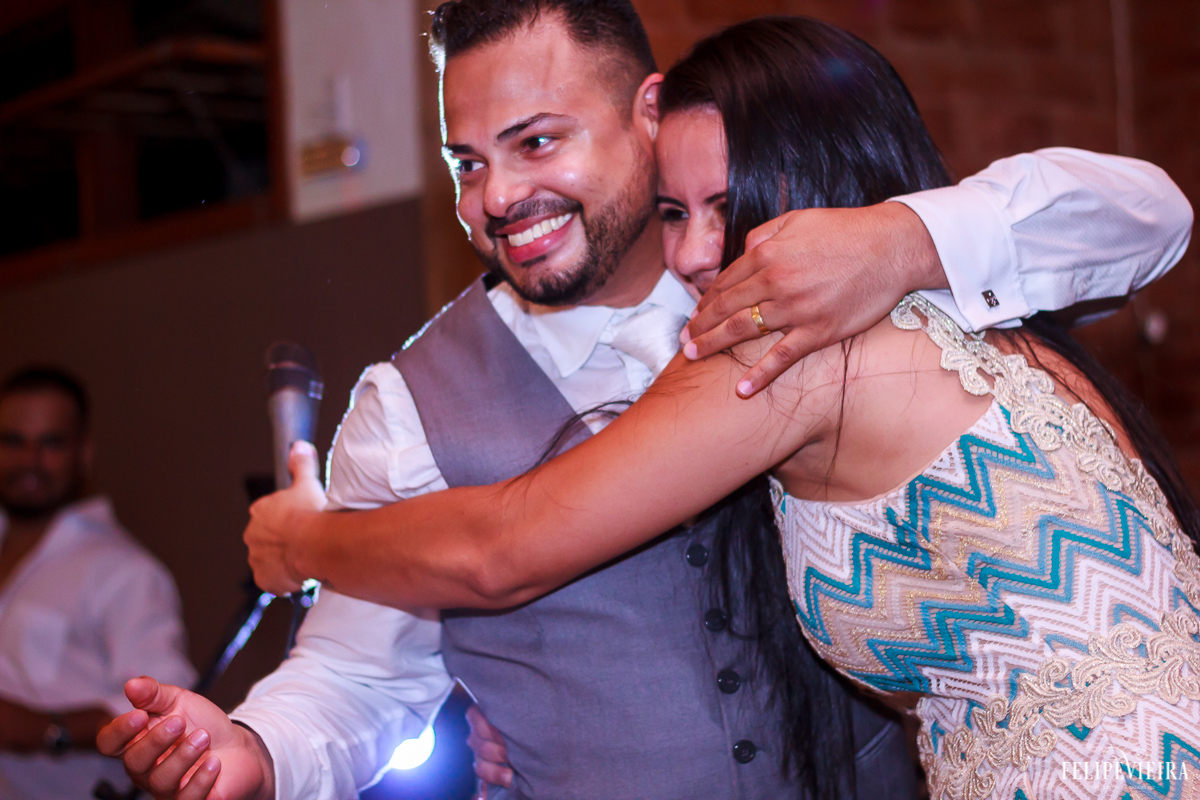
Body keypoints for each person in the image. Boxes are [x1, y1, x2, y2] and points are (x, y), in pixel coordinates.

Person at [97, 3, 1193, 799]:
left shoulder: (802, 292)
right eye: (465, 162)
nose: (498, 197)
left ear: (648, 109)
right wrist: (252, 748)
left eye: (537, 142)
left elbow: (1146, 214)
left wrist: (902, 236)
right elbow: (352, 672)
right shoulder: (408, 403)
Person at [0, 366, 196, 800]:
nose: (30, 459)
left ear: (84, 454)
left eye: (51, 442)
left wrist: (45, 729)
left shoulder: (125, 571)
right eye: (13, 440)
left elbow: (167, 707)